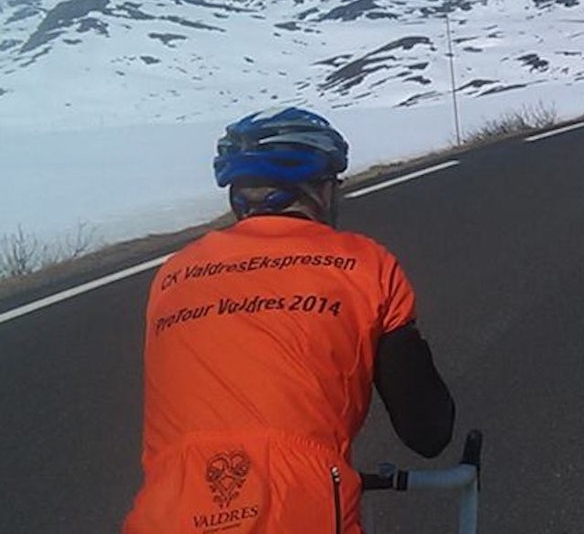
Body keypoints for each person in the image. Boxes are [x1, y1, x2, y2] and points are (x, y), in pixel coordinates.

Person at [124, 108, 455, 533]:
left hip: (162, 512)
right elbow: (427, 430)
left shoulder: (172, 275)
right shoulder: (366, 265)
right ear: (320, 190)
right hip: (298, 506)